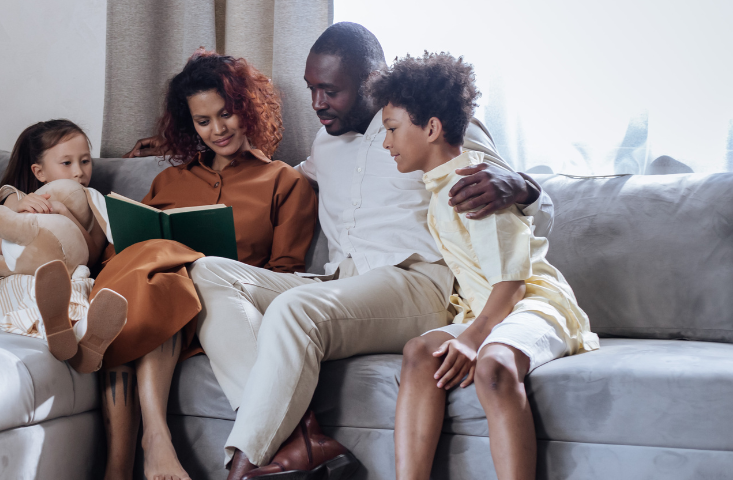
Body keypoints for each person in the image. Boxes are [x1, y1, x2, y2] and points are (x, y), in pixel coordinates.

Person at [131, 23, 559, 480]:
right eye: (311, 89)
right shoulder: (324, 142)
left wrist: (524, 187)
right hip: (342, 284)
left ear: (372, 80)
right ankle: (299, 439)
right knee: (208, 273)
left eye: (330, 90)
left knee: (297, 310)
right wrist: (189, 150)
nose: (317, 103)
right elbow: (282, 177)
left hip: (416, 283)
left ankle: (244, 462)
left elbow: (529, 210)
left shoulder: (421, 125)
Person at [375, 51, 598, 480]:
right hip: (494, 310)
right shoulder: (440, 187)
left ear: (432, 128)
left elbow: (514, 283)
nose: (387, 143)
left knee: (493, 364)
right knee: (419, 351)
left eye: (392, 129)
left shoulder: (474, 185)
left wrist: (474, 337)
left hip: (534, 304)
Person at [99, 49, 318, 480]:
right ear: (189, 125)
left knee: (161, 284)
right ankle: (147, 448)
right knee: (154, 276)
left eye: (227, 114)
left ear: (248, 108)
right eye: (203, 121)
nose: (217, 130)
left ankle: (143, 447)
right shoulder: (169, 180)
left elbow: (286, 279)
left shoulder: (285, 182)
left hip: (216, 315)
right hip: (154, 303)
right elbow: (122, 253)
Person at [0, 119, 127, 373]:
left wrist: (66, 213)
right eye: (67, 163)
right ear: (39, 172)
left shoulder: (90, 202)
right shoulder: (15, 197)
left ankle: (77, 335)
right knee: (32, 286)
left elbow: (92, 255)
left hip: (71, 276)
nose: (79, 172)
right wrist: (18, 211)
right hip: (21, 275)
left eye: (85, 161)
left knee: (79, 285)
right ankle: (57, 327)